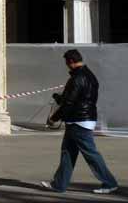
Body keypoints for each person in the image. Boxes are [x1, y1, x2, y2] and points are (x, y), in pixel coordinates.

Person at [41, 49, 119, 195]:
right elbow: (80, 99)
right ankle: (59, 184)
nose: (66, 66)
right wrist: (59, 98)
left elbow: (70, 103)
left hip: (78, 121)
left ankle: (109, 182)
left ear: (70, 61)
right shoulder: (90, 76)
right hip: (83, 119)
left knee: (90, 153)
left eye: (66, 63)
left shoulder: (77, 78)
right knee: (68, 153)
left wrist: (53, 118)